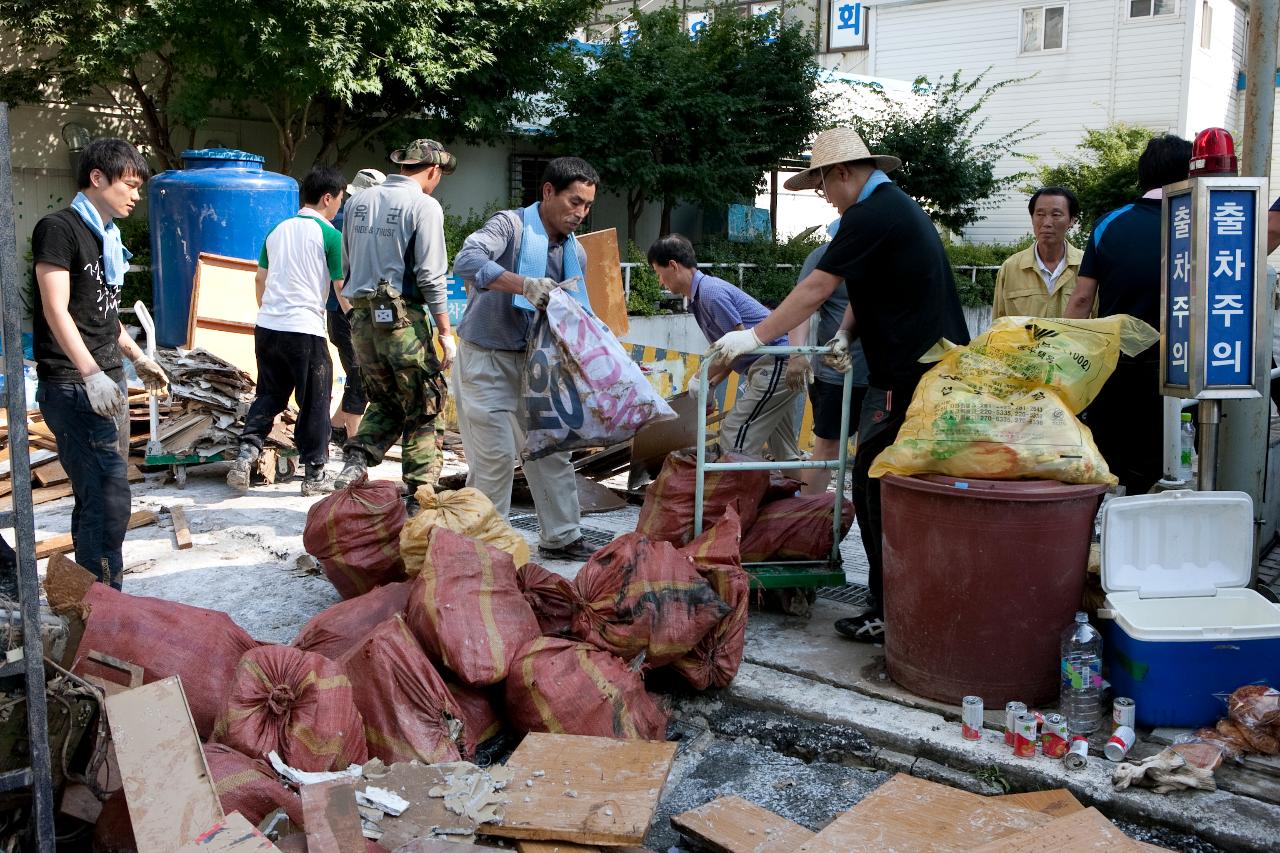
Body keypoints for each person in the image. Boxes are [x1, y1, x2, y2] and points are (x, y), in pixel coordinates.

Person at [706, 128, 970, 642]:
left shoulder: (873, 213)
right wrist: (846, 335)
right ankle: (896, 601)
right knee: (876, 480)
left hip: (912, 375)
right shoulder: (885, 211)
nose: (823, 196)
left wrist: (754, 336)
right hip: (909, 368)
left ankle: (889, 608)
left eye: (822, 184)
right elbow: (860, 292)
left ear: (843, 173)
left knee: (875, 485)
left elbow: (817, 286)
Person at [31, 138, 168, 587]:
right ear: (96, 178)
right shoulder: (60, 228)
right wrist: (90, 374)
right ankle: (103, 599)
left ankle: (89, 595)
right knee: (109, 497)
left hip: (108, 380)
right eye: (128, 185)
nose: (135, 195)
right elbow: (56, 310)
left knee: (98, 496)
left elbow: (101, 315)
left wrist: (136, 357)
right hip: (74, 385)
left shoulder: (107, 237)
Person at [452, 157, 600, 561]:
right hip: (487, 359)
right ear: (548, 191)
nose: (580, 213)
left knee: (552, 449)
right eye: (574, 202)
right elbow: (465, 261)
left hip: (539, 364)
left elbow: (574, 314)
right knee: (495, 457)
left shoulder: (576, 255)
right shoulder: (510, 226)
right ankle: (486, 548)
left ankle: (562, 536)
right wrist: (524, 284)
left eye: (587, 206)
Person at [1064, 134, 1192, 497]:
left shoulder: (1110, 223)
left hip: (1118, 368)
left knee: (1114, 464)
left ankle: (1110, 537)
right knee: (1171, 463)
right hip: (1181, 370)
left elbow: (1081, 301)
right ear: (1189, 175)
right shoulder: (1198, 223)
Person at [332, 140, 457, 504]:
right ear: (432, 170)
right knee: (425, 403)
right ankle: (420, 496)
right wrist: (445, 332)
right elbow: (432, 276)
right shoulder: (424, 205)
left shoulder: (356, 202)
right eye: (440, 176)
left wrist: (355, 315)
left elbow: (346, 267)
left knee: (387, 400)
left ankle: (355, 459)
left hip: (362, 322)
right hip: (403, 323)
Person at [226, 165, 346, 496]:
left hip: (267, 327)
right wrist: (358, 322)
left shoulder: (276, 230)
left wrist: (270, 311)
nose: (340, 206)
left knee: (269, 394)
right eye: (339, 199)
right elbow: (340, 288)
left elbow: (259, 280)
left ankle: (246, 453)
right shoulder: (331, 235)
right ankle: (315, 474)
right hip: (304, 330)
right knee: (315, 400)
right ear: (327, 198)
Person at [648, 233, 802, 461]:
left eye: (659, 274)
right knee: (784, 451)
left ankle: (734, 496)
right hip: (773, 364)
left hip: (774, 364)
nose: (660, 281)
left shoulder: (710, 294)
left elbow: (739, 345)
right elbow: (733, 354)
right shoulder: (699, 298)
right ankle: (802, 495)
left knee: (734, 434)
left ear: (673, 266)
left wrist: (700, 377)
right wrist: (710, 384)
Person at [786, 221, 870, 495]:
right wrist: (798, 353)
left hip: (881, 374)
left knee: (873, 451)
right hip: (835, 374)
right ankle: (808, 516)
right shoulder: (823, 257)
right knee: (826, 448)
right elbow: (802, 305)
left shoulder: (881, 255)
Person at [326, 168, 385, 447]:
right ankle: (355, 444)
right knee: (361, 377)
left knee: (358, 375)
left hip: (340, 312)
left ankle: (335, 428)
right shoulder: (353, 222)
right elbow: (341, 280)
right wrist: (353, 313)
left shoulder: (340, 218)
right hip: (347, 311)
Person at [992, 187, 1086, 319]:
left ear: (1071, 220)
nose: (1047, 223)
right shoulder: (1011, 268)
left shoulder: (1087, 266)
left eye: (1056, 215)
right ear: (1032, 218)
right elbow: (999, 324)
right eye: (1040, 215)